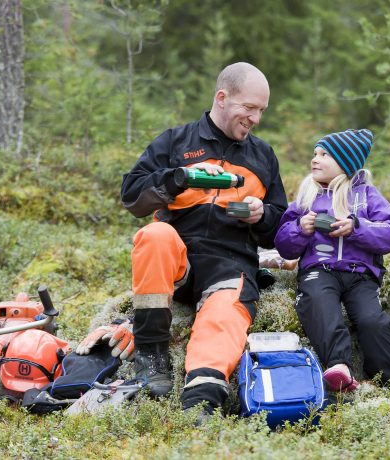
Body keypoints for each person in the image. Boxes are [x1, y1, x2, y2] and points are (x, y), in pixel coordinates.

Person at [118, 62, 287, 416]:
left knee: (225, 311)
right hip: (177, 263)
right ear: (222, 98)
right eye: (249, 108)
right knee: (155, 234)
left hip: (230, 263)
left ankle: (202, 396)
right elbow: (132, 196)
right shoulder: (175, 141)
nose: (255, 118)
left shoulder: (262, 156)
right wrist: (180, 178)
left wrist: (263, 215)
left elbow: (279, 230)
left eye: (261, 111)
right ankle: (151, 358)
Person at [274, 129, 390, 392]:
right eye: (315, 153)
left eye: (324, 155)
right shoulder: (306, 198)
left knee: (373, 320)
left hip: (361, 274)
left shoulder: (367, 195)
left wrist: (356, 228)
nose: (315, 159)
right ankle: (339, 366)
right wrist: (301, 228)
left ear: (345, 164)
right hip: (318, 271)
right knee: (318, 303)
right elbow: (283, 245)